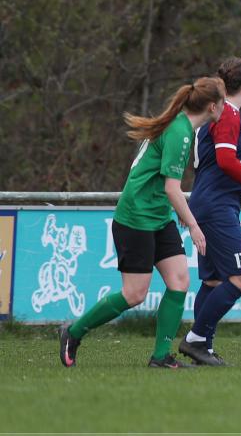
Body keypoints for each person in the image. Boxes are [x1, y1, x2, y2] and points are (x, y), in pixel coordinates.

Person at [59, 77, 226, 369]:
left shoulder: (181, 126)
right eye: (223, 102)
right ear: (213, 106)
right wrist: (194, 226)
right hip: (136, 217)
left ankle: (161, 357)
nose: (225, 107)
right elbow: (172, 189)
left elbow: (165, 190)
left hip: (158, 216)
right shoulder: (181, 132)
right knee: (135, 294)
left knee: (179, 281)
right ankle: (73, 332)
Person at [178, 58, 241, 366]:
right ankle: (196, 339)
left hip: (208, 204)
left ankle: (202, 348)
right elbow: (226, 160)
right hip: (215, 207)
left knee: (213, 282)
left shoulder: (216, 113)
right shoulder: (229, 115)